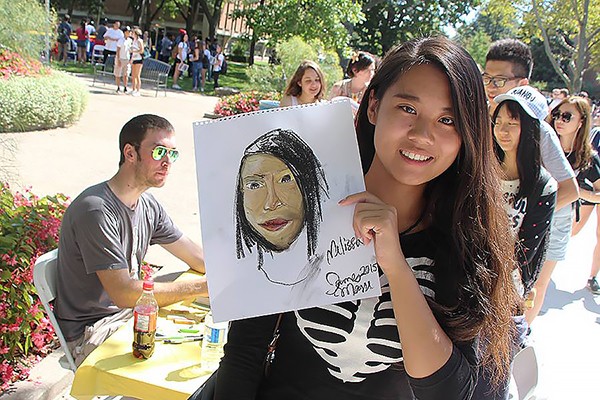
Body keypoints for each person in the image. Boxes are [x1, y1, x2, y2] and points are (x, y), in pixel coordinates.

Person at [214, 36, 517, 399]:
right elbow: (244, 354)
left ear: (467, 134)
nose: (422, 135)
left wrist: (397, 268)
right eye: (407, 108)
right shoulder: (298, 213)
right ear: (373, 106)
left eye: (447, 120)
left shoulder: (468, 242)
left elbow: (453, 393)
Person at [54, 114, 208, 367]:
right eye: (159, 152)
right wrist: (201, 287)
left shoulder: (147, 204)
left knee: (205, 343)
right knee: (185, 360)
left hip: (129, 315)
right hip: (94, 332)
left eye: (173, 154)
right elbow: (124, 293)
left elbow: (197, 258)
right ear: (130, 153)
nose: (168, 162)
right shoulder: (96, 210)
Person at [481, 39, 579, 326]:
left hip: (537, 229)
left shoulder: (540, 131)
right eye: (487, 77)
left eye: (499, 80)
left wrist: (526, 212)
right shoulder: (490, 120)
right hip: (505, 231)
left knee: (525, 297)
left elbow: (569, 189)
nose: (490, 86)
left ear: (522, 82)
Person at [473, 86, 558, 399]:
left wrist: (506, 294)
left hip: (504, 293)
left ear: (530, 128)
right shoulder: (483, 170)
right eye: (498, 122)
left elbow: (526, 252)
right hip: (470, 281)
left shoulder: (542, 186)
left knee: (494, 372)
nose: (502, 131)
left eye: (512, 123)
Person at [235, 128, 329, 285]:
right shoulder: (234, 280)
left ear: (309, 185)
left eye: (286, 179)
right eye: (255, 184)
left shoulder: (335, 273)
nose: (271, 203)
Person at [551, 97, 600, 294]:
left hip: (567, 215)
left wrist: (577, 192)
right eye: (557, 115)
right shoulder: (545, 146)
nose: (559, 120)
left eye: (567, 116)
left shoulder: (587, 157)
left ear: (581, 122)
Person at [114, 26, 132, 94]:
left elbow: (131, 50)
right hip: (120, 58)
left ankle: (125, 87)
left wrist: (130, 58)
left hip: (126, 59)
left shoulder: (130, 40)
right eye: (128, 32)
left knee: (126, 74)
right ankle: (118, 87)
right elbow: (118, 50)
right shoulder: (120, 40)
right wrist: (118, 59)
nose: (129, 33)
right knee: (118, 74)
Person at [129, 27, 145, 97]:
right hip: (134, 59)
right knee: (133, 75)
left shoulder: (139, 41)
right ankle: (133, 89)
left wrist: (134, 51)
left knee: (137, 75)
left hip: (139, 59)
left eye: (133, 33)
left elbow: (141, 50)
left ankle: (138, 90)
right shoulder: (134, 41)